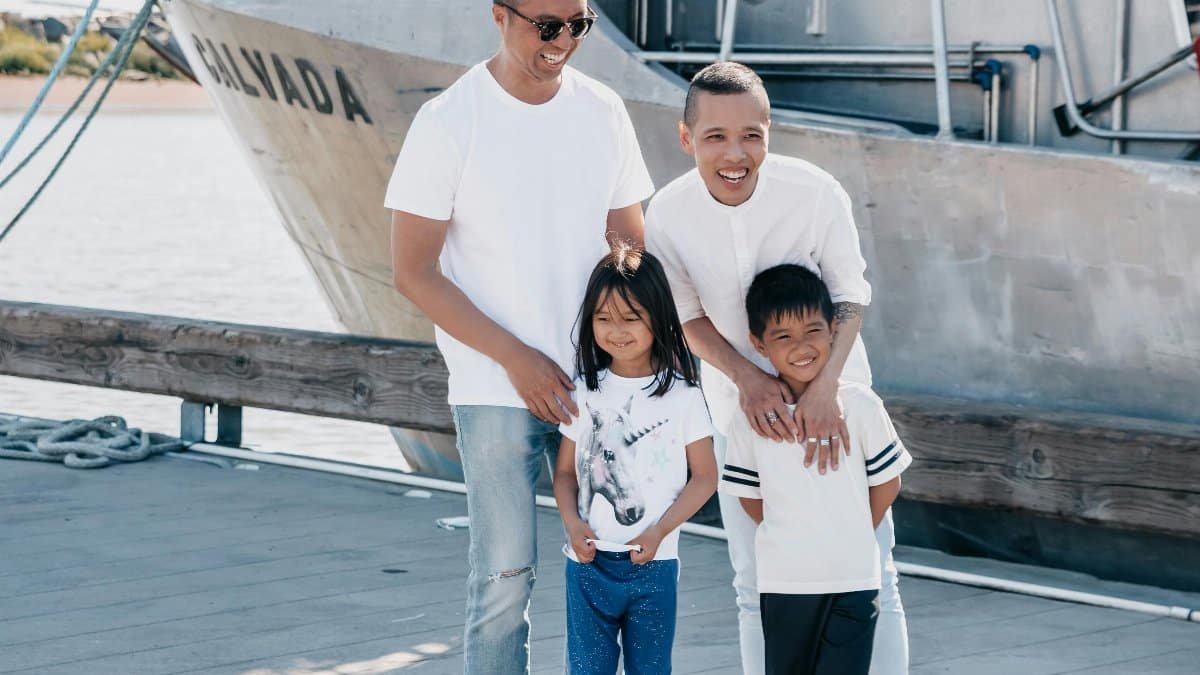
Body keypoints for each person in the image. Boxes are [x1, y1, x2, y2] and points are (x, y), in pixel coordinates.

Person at [385, 1, 655, 672]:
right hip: (494, 386)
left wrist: (635, 367)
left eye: (579, 25)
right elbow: (412, 272)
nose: (564, 41)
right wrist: (516, 359)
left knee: (618, 575)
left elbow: (629, 251)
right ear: (499, 16)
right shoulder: (448, 120)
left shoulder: (603, 110)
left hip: (600, 388)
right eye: (547, 25)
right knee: (505, 581)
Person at [644, 62, 909, 674]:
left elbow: (851, 294)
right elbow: (684, 317)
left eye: (751, 136)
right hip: (741, 412)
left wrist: (825, 390)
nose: (736, 154)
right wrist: (747, 377)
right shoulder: (667, 213)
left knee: (874, 569)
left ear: (769, 131)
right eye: (715, 137)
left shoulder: (815, 191)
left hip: (837, 402)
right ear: (687, 139)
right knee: (753, 577)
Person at [721, 264, 911, 675]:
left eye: (812, 330)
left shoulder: (859, 405)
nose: (801, 345)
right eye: (783, 336)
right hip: (784, 582)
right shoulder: (754, 418)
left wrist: (853, 528)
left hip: (854, 580)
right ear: (759, 344)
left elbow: (887, 482)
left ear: (832, 332)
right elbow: (749, 497)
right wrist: (793, 532)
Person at [553, 245, 717, 675]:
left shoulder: (684, 396)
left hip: (654, 565)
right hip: (588, 567)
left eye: (630, 318)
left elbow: (704, 477)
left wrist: (660, 530)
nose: (616, 330)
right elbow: (567, 473)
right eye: (603, 318)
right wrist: (573, 525)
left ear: (658, 319)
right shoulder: (584, 391)